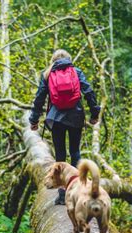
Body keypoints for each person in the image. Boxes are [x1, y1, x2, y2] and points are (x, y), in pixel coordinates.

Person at [29, 49, 100, 205]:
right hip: (76, 116)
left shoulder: (47, 74)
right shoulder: (76, 71)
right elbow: (89, 92)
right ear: (69, 59)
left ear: (53, 61)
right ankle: (80, 190)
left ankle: (62, 196)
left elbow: (39, 98)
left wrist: (34, 120)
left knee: (60, 155)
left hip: (56, 119)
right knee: (75, 152)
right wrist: (94, 113)